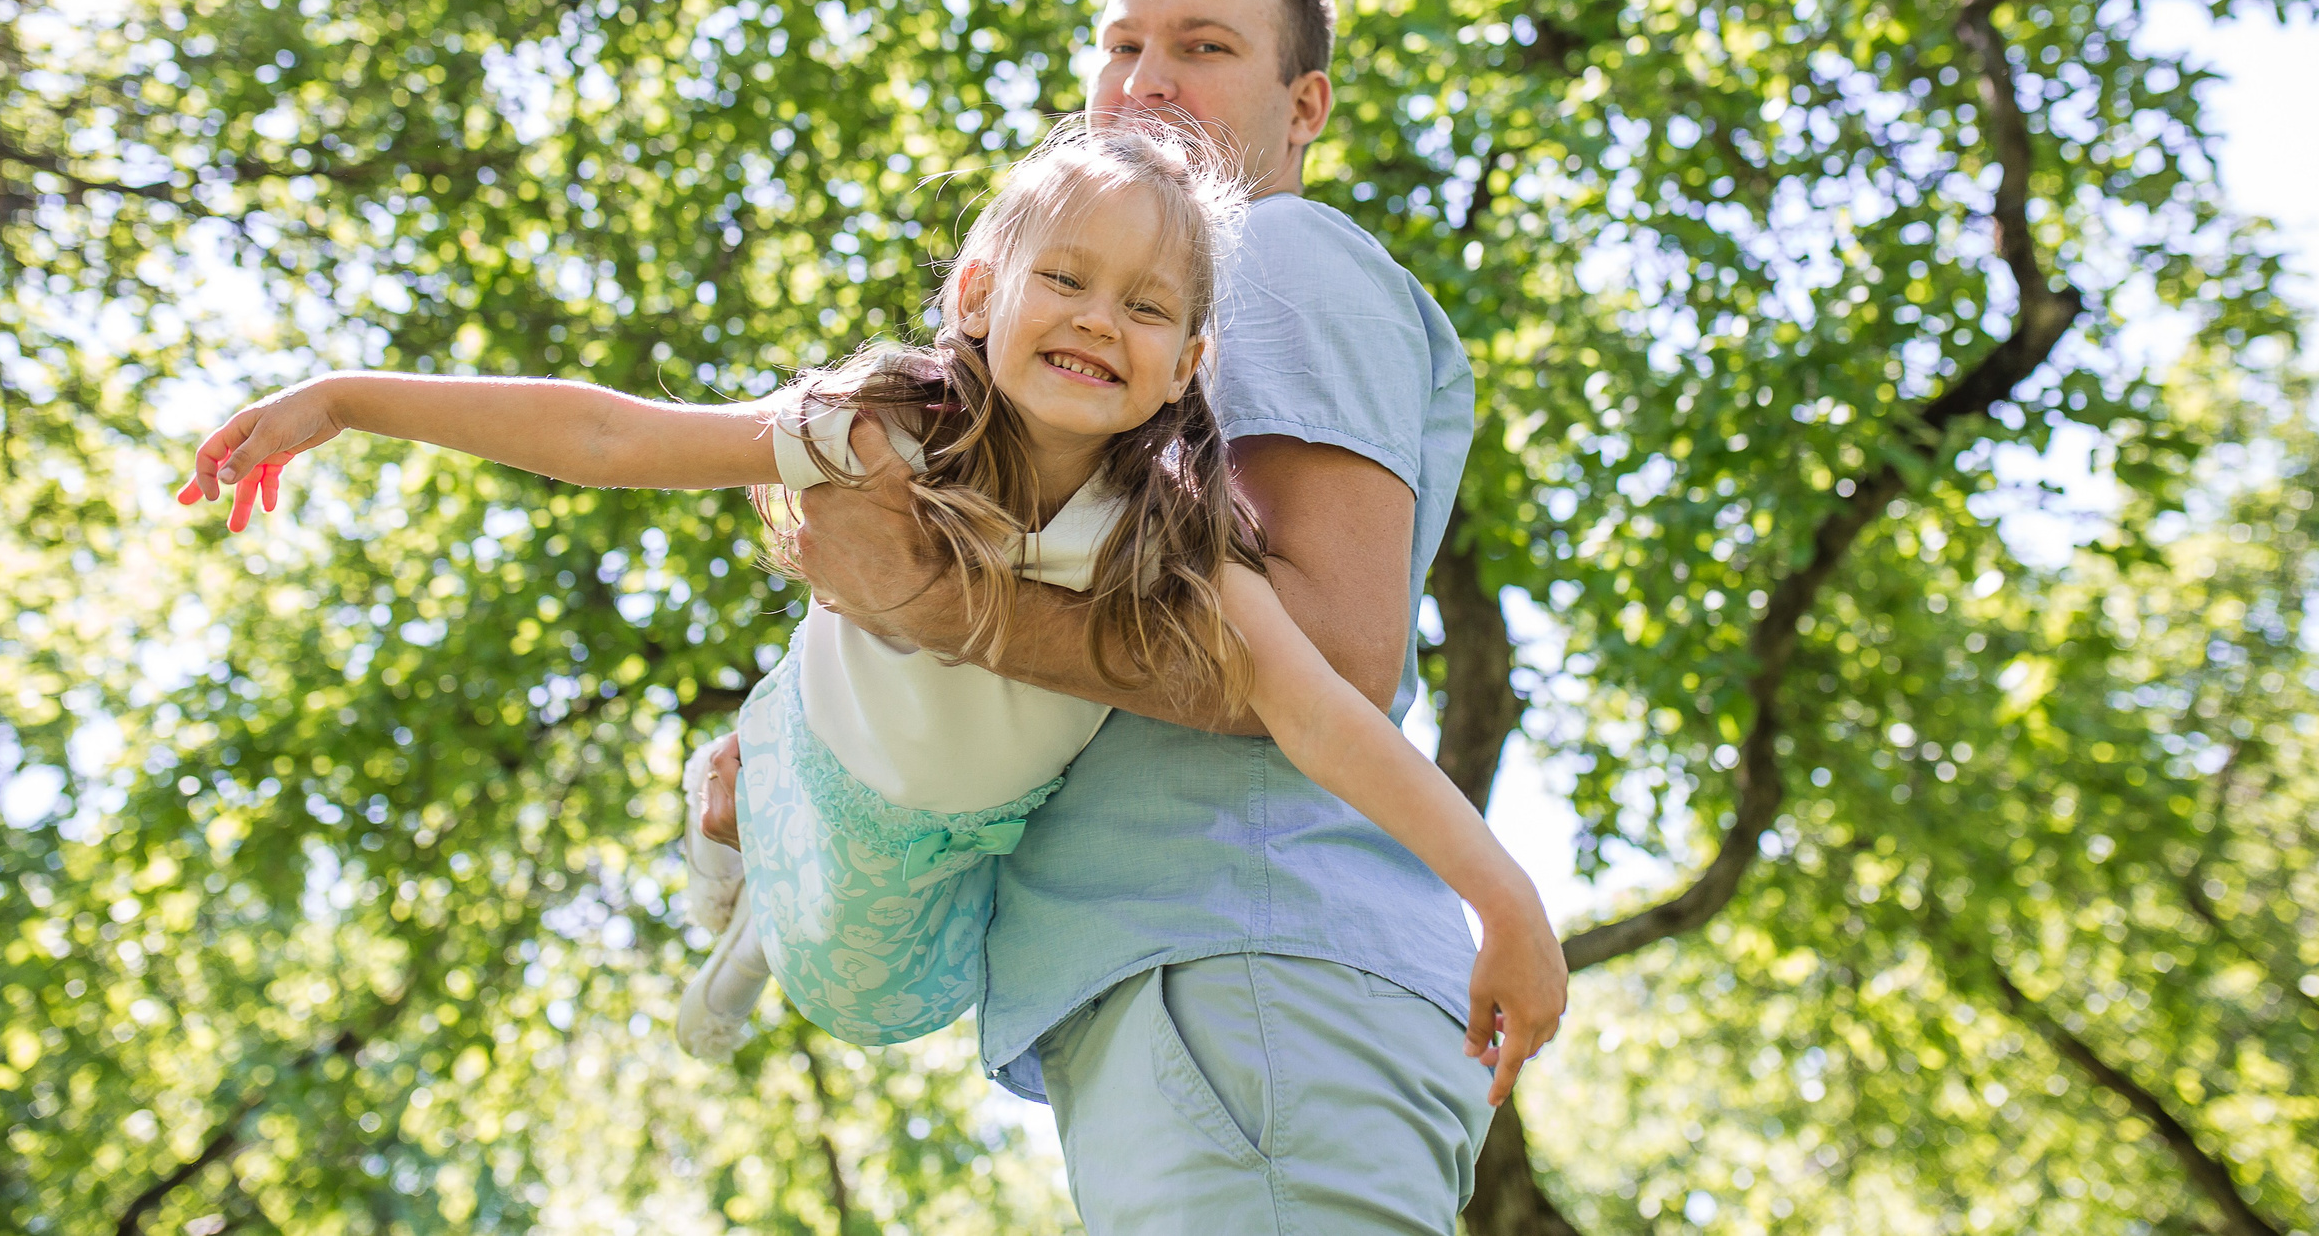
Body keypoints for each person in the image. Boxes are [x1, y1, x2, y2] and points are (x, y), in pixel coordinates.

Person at [176, 122, 1566, 1126]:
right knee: (784, 854)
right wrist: (352, 396)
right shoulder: (879, 436)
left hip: (958, 837)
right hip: (839, 745)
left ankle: (746, 913)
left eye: (1147, 307)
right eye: (1065, 280)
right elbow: (612, 432)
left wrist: (1500, 897)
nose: (1100, 320)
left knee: (869, 980)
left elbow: (1325, 713)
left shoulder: (1178, 542)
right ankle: (734, 810)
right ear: (981, 295)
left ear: (1192, 364)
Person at [699, 0, 1515, 1231]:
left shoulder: (1277, 257)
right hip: (1207, 995)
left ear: (1302, 107)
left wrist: (926, 599)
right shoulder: (1124, 345)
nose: (1144, 82)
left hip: (1247, 973)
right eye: (1121, 46)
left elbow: (1338, 659)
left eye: (1202, 49)